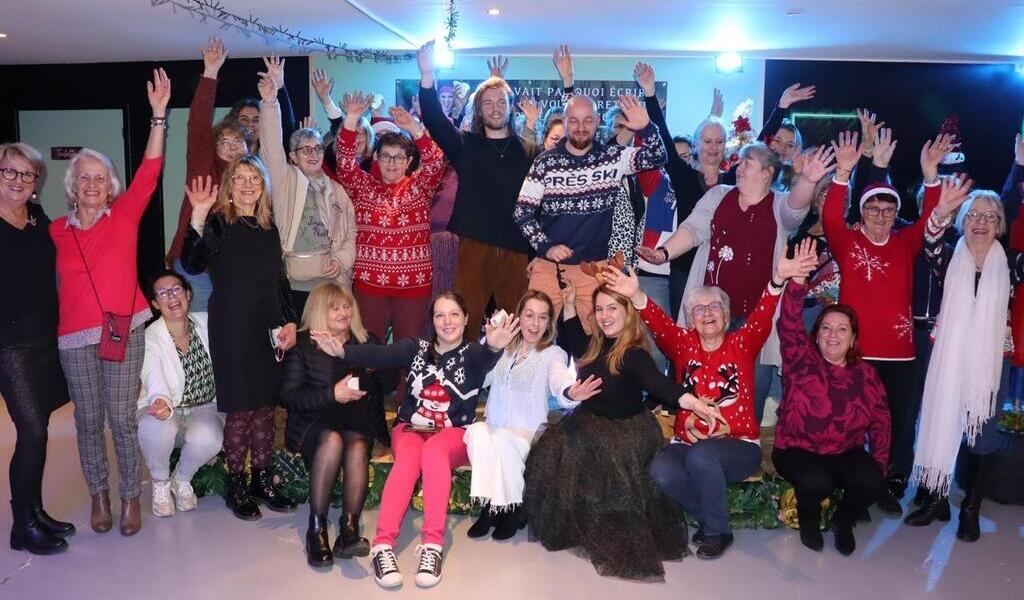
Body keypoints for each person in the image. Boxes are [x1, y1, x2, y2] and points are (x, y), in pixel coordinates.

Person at [603, 245, 816, 559]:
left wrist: (777, 282)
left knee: (702, 456)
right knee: (661, 469)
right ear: (690, 318)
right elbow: (658, 322)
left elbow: (762, 316)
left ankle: (719, 532)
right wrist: (636, 296)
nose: (706, 313)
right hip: (687, 443)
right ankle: (710, 517)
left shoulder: (743, 343)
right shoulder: (682, 343)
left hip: (739, 445)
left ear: (727, 315)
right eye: (698, 310)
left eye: (714, 307)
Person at [311, 293, 517, 589]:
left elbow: (486, 357)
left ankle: (432, 546)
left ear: (466, 318)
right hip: (410, 428)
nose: (447, 322)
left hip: (453, 433)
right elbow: (378, 356)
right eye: (440, 315)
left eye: (454, 314)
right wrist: (343, 352)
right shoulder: (415, 348)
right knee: (408, 459)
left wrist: (495, 346)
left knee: (434, 452)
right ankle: (382, 547)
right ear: (431, 321)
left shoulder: (473, 353)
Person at [49, 69, 170, 537]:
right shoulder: (54, 230)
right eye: (85, 178)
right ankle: (97, 492)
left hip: (123, 327)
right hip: (73, 340)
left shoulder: (124, 217)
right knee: (87, 419)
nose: (93, 184)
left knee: (121, 418)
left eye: (100, 178)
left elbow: (151, 171)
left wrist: (158, 115)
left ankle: (128, 496)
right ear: (72, 184)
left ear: (111, 185)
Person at [524, 282, 709, 581]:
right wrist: (570, 303)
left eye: (613, 308)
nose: (605, 315)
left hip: (625, 433)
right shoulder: (595, 344)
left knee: (610, 487)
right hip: (588, 422)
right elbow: (573, 336)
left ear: (627, 311)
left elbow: (659, 385)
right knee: (561, 448)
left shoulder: (634, 355)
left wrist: (693, 403)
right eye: (599, 309)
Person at [639, 143, 835, 423]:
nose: (737, 167)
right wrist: (662, 254)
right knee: (701, 379)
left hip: (755, 317)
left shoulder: (779, 204)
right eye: (739, 162)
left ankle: (746, 441)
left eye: (747, 162)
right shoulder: (719, 195)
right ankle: (698, 436)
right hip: (710, 313)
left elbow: (797, 206)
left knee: (752, 384)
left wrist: (808, 179)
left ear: (767, 172)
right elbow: (692, 230)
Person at [823, 130, 952, 515]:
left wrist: (931, 176)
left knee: (898, 422)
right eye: (873, 210)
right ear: (862, 213)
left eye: (888, 210)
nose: (881, 217)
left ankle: (889, 480)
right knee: (851, 422)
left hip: (900, 355)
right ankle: (852, 484)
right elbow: (830, 215)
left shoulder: (906, 242)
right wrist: (842, 173)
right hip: (858, 353)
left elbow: (931, 217)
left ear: (896, 214)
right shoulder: (848, 243)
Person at [180, 157, 299, 521]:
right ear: (229, 185)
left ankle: (263, 481)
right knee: (241, 407)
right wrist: (198, 215)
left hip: (267, 326)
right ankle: (237, 486)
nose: (248, 185)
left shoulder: (268, 227)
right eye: (240, 179)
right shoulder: (218, 222)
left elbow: (279, 282)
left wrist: (290, 322)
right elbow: (192, 263)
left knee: (264, 404)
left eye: (255, 179)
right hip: (231, 325)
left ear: (263, 185)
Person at [906, 181, 1023, 542]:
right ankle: (937, 498)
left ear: (1001, 224)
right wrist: (941, 211)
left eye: (990, 216)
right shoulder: (947, 256)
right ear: (962, 221)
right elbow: (929, 239)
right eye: (973, 215)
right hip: (948, 356)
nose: (981, 222)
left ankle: (971, 507)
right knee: (941, 419)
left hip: (990, 363)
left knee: (984, 435)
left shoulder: (1014, 263)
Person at [772, 240, 891, 555]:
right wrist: (797, 280)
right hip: (796, 450)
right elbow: (788, 323)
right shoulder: (801, 358)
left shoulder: (866, 374)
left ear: (853, 338)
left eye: (842, 329)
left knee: (870, 479)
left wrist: (878, 463)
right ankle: (809, 518)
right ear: (816, 334)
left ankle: (844, 519)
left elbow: (881, 420)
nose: (833, 335)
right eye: (826, 328)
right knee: (816, 480)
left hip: (843, 451)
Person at [515, 93, 667, 330]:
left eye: (588, 120)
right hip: (548, 268)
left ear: (598, 122)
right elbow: (522, 211)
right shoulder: (545, 162)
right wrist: (545, 247)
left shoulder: (613, 157)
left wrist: (646, 127)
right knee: (531, 336)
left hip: (595, 269)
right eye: (573, 120)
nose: (580, 127)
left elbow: (658, 156)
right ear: (564, 122)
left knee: (595, 345)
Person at [418, 40, 539, 335]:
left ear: (511, 108)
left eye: (501, 102)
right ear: (478, 109)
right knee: (467, 322)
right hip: (474, 245)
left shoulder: (529, 150)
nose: (495, 109)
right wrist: (427, 75)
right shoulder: (464, 145)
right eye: (488, 103)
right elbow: (434, 120)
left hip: (517, 250)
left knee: (518, 327)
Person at [279, 282, 389, 567]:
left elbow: (390, 384)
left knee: (356, 447)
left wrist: (374, 369)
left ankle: (348, 532)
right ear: (318, 311)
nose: (343, 312)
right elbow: (288, 397)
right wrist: (332, 394)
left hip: (357, 421)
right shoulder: (302, 345)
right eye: (334, 307)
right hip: (314, 423)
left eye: (346, 306)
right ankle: (316, 530)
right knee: (332, 441)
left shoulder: (366, 340)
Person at [0, 142, 74, 554]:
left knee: (39, 429)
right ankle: (21, 526)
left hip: (45, 336)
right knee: (31, 431)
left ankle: (35, 511)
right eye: (9, 171)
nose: (18, 181)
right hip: (8, 344)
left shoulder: (36, 217)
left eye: (26, 174)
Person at [335, 90, 447, 354]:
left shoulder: (420, 186)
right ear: (376, 158)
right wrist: (351, 119)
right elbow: (344, 162)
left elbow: (436, 162)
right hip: (369, 285)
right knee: (367, 351)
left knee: (411, 352)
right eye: (386, 156)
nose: (392, 163)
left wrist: (413, 128)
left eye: (399, 157)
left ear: (409, 162)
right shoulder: (362, 185)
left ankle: (406, 396)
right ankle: (369, 396)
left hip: (414, 287)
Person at [463, 290, 578, 540]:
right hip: (497, 426)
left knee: (504, 440)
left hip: (526, 433)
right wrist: (490, 347)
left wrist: (571, 390)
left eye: (542, 317)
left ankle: (511, 508)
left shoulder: (552, 354)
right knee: (477, 433)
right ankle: (490, 506)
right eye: (529, 315)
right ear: (519, 317)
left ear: (549, 322)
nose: (535, 323)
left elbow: (560, 379)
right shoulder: (503, 348)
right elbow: (478, 379)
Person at [257, 71, 356, 315]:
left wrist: (340, 260)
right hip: (291, 283)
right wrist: (270, 103)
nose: (313, 155)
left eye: (317, 149)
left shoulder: (337, 190)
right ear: (292, 156)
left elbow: (352, 232)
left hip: (331, 281)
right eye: (305, 150)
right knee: (297, 349)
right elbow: (270, 144)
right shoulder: (284, 180)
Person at [166, 39, 252, 310]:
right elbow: (199, 123)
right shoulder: (204, 168)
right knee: (199, 331)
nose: (231, 147)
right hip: (196, 266)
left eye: (238, 142)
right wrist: (211, 73)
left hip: (233, 270)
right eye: (224, 142)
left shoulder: (253, 181)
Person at [137, 269, 223, 518]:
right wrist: (159, 400)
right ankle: (161, 482)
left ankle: (182, 479)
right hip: (165, 405)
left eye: (176, 289)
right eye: (163, 293)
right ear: (155, 303)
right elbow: (152, 373)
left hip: (204, 407)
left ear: (188, 293)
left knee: (209, 437)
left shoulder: (207, 322)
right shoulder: (150, 336)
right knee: (157, 426)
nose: (171, 297)